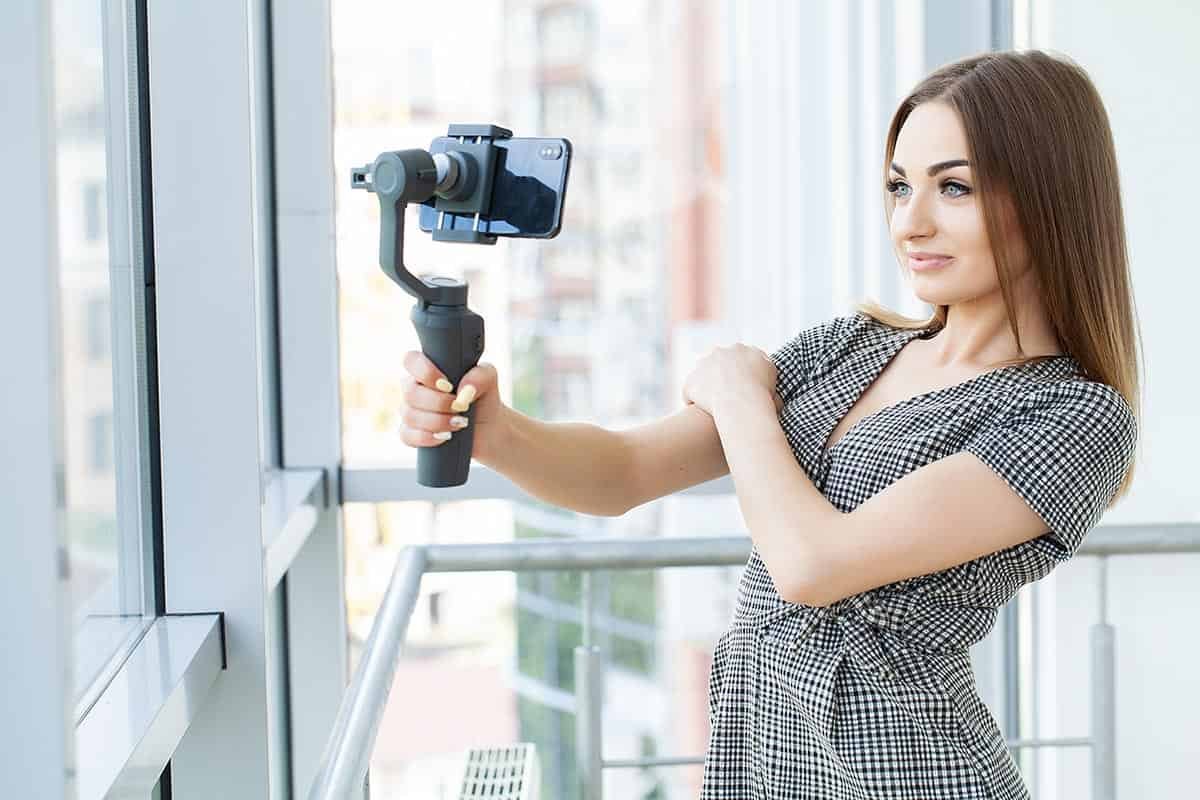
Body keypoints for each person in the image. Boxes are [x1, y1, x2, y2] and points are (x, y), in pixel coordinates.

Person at [397, 48, 1140, 800]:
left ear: (1048, 197)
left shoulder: (1072, 416)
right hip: (764, 759)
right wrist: (496, 432)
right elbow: (623, 473)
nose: (910, 222)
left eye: (954, 187)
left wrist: (741, 396)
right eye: (898, 186)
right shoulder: (847, 350)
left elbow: (815, 564)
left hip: (911, 775)